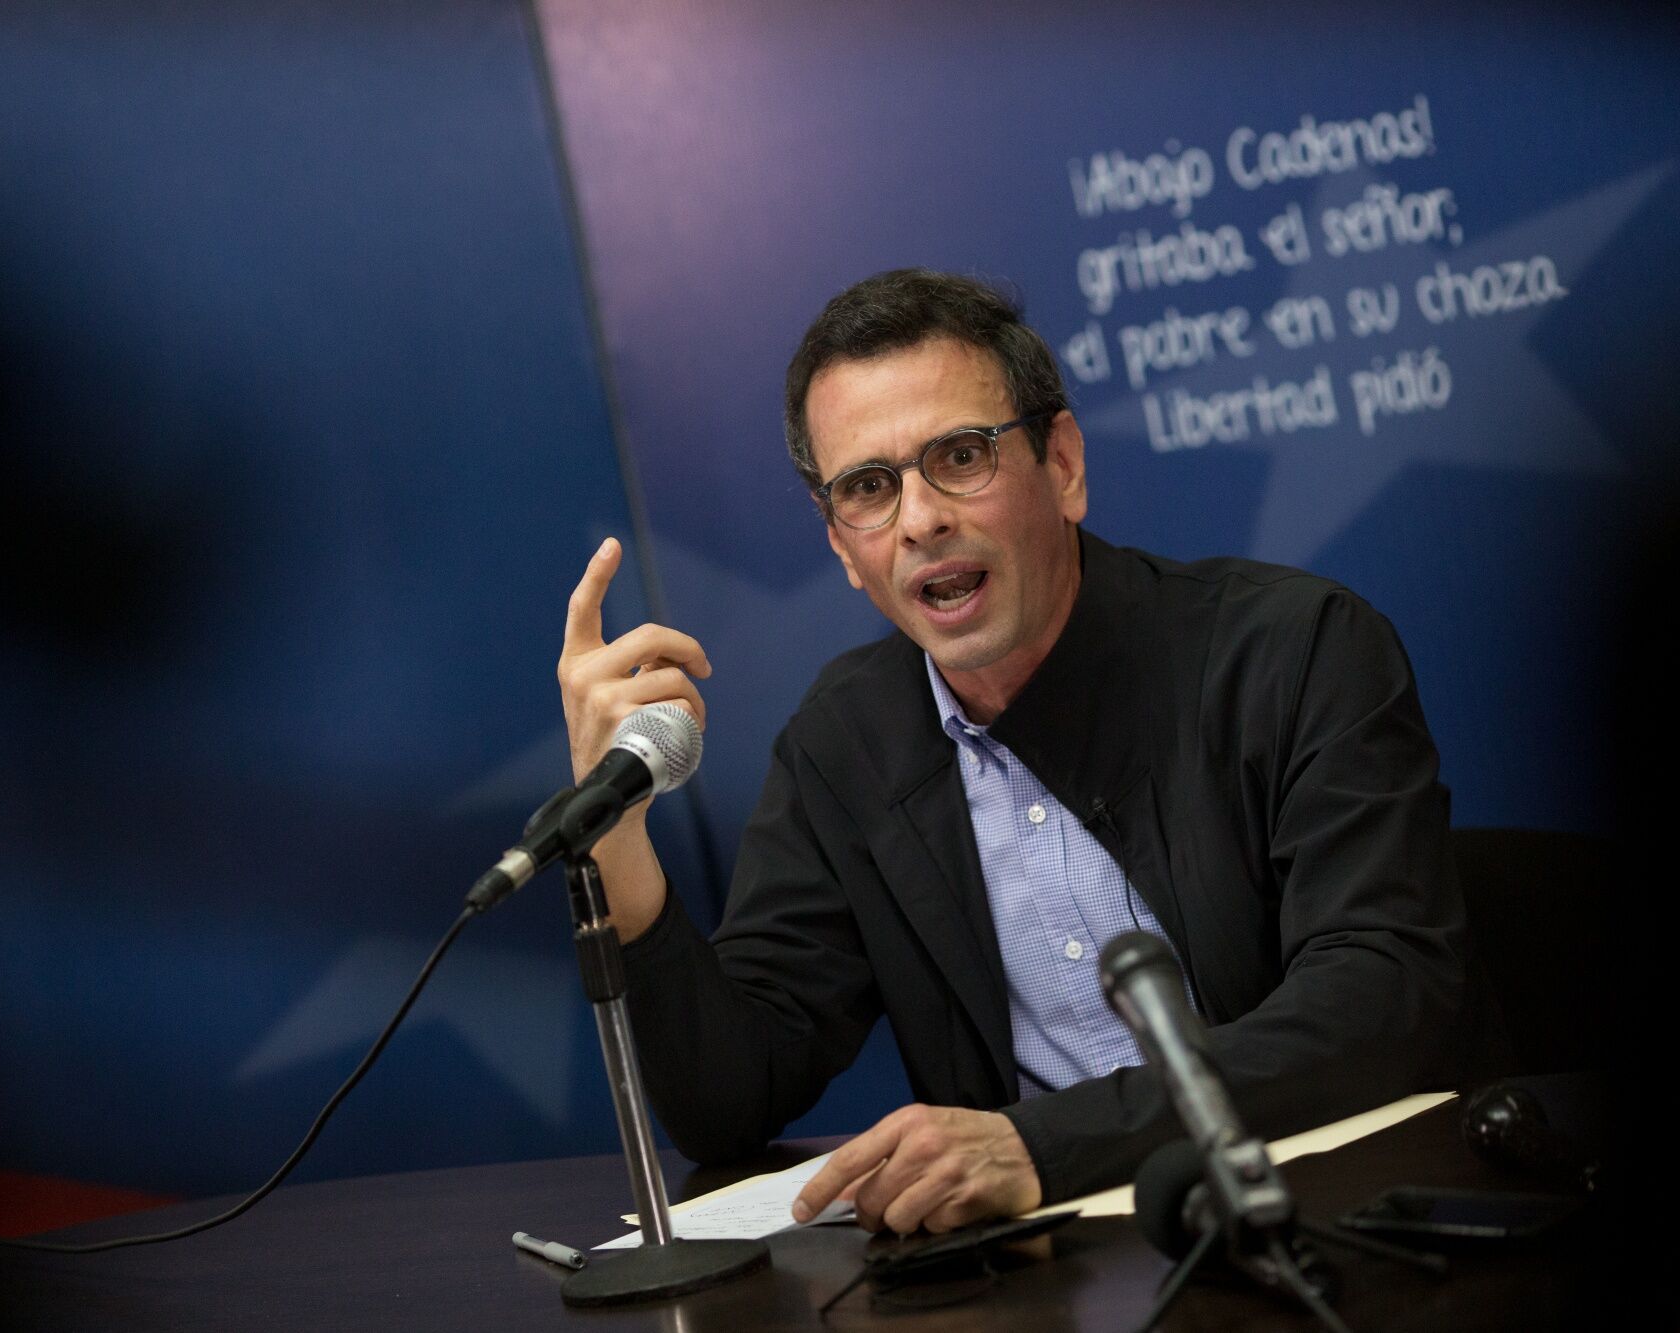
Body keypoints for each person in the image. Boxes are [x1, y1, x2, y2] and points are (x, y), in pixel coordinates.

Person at [556, 269, 1466, 1234]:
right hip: (1050, 1285)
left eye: (960, 455)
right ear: (838, 543)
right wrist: (615, 838)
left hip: (1345, 1229)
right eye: (869, 488)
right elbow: (729, 1095)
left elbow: (1382, 994)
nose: (920, 519)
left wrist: (1043, 1145)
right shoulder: (845, 743)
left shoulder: (1296, 652)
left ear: (1062, 464)